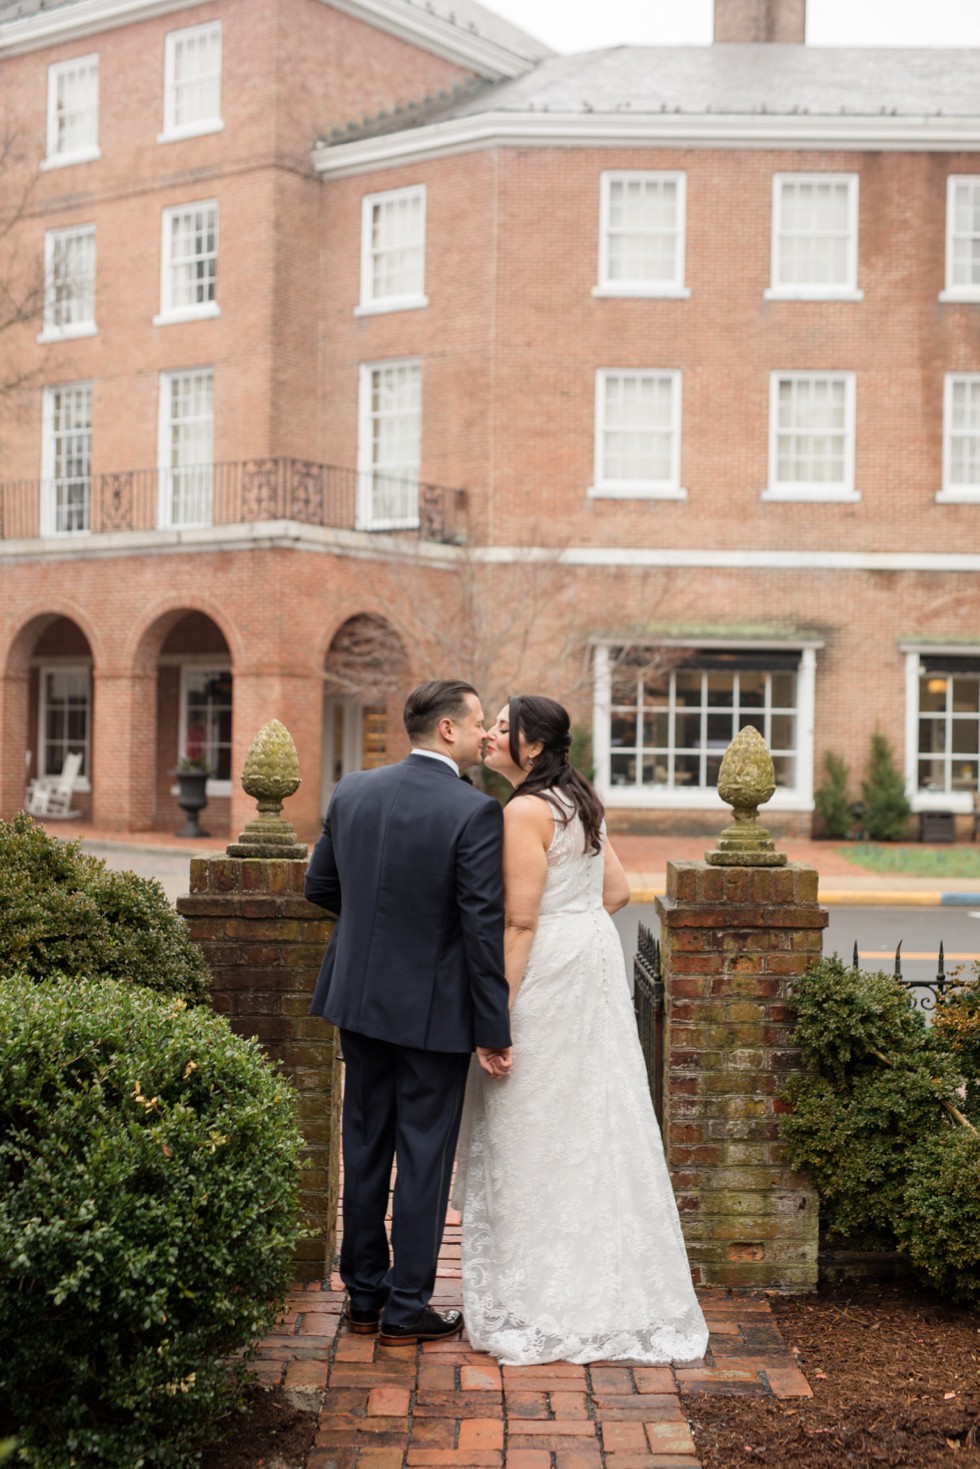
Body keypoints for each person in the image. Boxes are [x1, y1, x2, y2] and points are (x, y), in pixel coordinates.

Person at [454, 694, 709, 1366]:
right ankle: (607, 1280)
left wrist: (496, 1017)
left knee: (532, 1121)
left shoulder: (523, 810)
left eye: (504, 728)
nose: (492, 735)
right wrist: (576, 916)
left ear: (532, 745)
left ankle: (541, 1293)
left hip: (548, 971)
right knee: (594, 1122)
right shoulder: (579, 798)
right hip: (591, 961)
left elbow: (519, 923)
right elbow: (618, 890)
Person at [306, 679, 512, 1347]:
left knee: (364, 1144)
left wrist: (374, 932)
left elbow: (320, 886)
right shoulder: (474, 811)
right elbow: (482, 931)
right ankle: (404, 1308)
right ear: (447, 729)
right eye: (480, 720)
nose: (487, 733)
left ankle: (363, 1295)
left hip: (358, 1000)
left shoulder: (352, 790)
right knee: (423, 1155)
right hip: (431, 1014)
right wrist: (493, 1027)